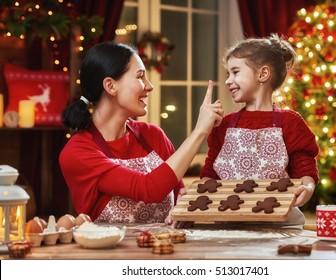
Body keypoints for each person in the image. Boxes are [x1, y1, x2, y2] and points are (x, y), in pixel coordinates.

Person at [59, 41, 223, 227]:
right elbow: (149, 188)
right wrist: (200, 131)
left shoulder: (153, 135)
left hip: (164, 250)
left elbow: (179, 195)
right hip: (111, 254)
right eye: (140, 77)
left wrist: (184, 210)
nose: (149, 86)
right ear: (110, 86)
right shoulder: (78, 152)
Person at [200, 34, 319, 225]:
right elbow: (210, 174)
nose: (228, 81)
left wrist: (307, 188)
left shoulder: (290, 122)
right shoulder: (224, 124)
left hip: (280, 224)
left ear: (263, 74)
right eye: (228, 74)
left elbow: (304, 169)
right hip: (228, 225)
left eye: (235, 72)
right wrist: (197, 192)